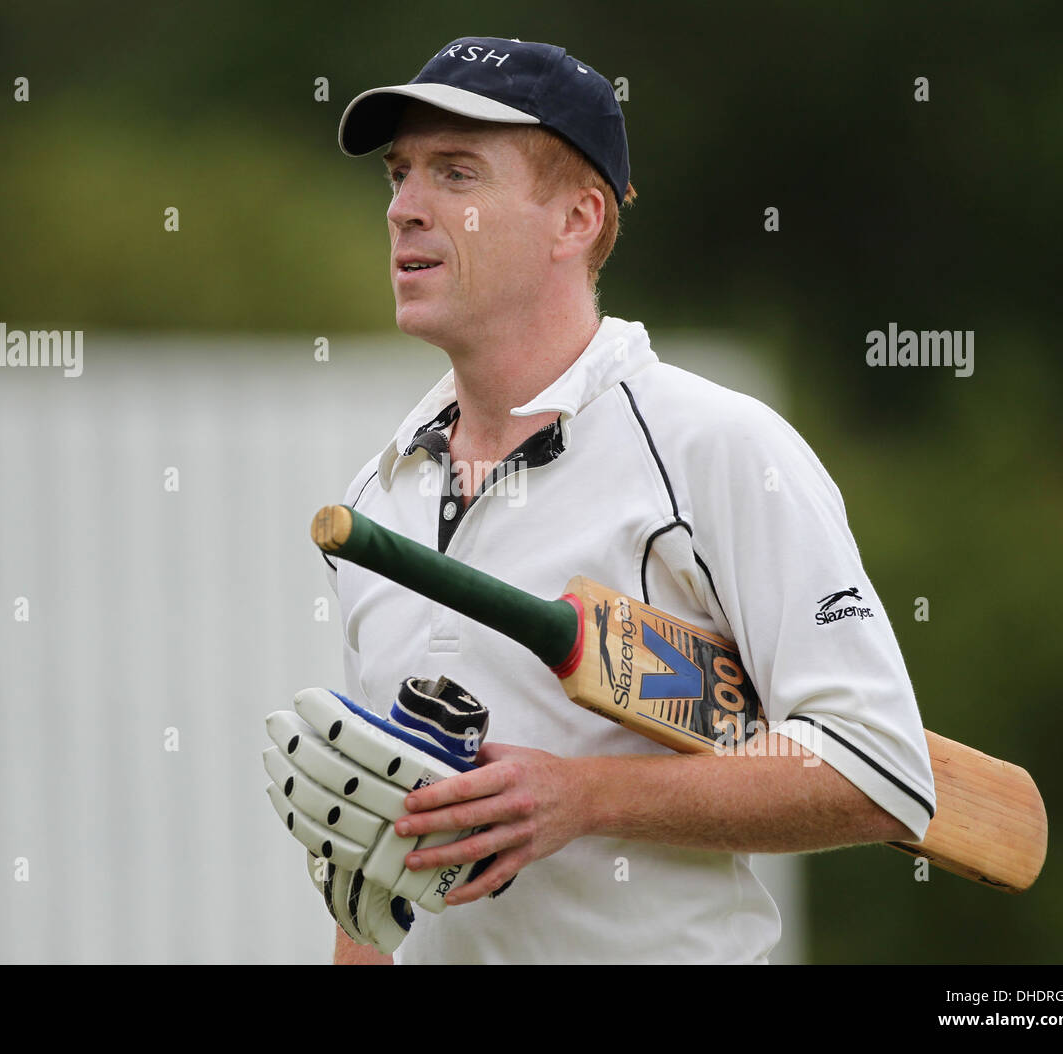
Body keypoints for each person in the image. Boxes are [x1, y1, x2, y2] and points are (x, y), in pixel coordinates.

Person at [321, 36, 935, 964]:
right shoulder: (379, 494)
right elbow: (382, 879)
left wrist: (585, 797)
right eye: (400, 175)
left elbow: (878, 768)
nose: (405, 209)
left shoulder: (717, 447)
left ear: (575, 219)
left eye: (456, 174)